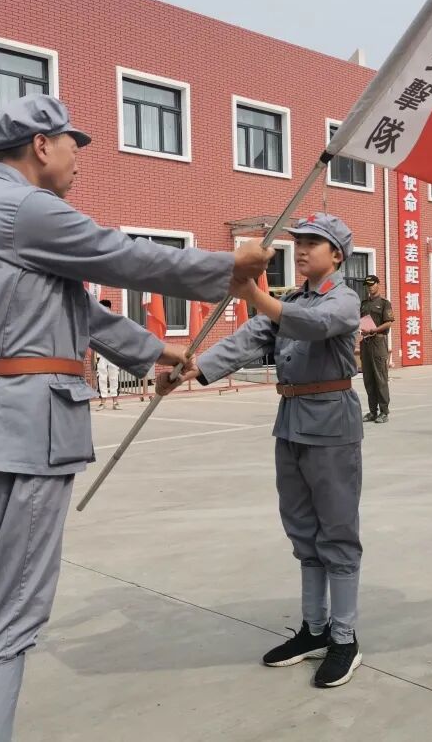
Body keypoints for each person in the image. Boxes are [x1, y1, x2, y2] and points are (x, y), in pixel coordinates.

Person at [0, 94, 273, 742]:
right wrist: (229, 268)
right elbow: (120, 255)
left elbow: (75, 308)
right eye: (72, 145)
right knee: (8, 610)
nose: (77, 160)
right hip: (23, 429)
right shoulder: (26, 207)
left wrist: (155, 352)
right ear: (41, 146)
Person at [181, 212, 364, 688]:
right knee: (303, 531)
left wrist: (256, 296)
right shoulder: (290, 301)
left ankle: (345, 638)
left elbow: (315, 325)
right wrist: (195, 368)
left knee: (337, 532)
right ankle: (315, 629)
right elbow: (251, 337)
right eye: (297, 241)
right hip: (292, 422)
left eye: (312, 243)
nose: (300, 249)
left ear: (336, 255)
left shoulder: (343, 299)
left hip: (331, 424)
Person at [359, 274, 393, 424]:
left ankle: (384, 412)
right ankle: (373, 411)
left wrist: (374, 330)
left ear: (378, 284)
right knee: (368, 379)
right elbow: (361, 321)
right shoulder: (364, 304)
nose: (370, 287)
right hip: (366, 343)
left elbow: (388, 322)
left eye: (372, 284)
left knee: (380, 378)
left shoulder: (384, 303)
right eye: (367, 285)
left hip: (378, 343)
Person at [94, 299, 121, 410]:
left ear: (110, 308)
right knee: (102, 377)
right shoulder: (96, 322)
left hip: (113, 352)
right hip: (101, 353)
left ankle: (115, 402)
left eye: (107, 308)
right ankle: (103, 402)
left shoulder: (115, 321)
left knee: (114, 376)